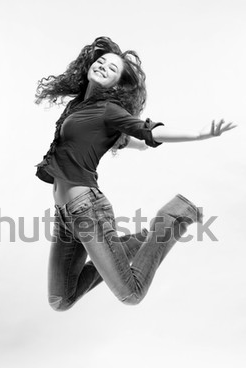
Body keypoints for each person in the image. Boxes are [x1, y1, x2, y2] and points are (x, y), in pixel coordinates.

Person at [34, 36, 236, 311]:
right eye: (101, 61)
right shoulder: (79, 106)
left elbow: (147, 131)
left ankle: (173, 216)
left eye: (112, 69)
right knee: (61, 299)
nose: (103, 66)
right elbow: (101, 137)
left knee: (131, 293)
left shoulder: (108, 109)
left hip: (87, 210)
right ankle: (135, 241)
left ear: (117, 85)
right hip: (65, 214)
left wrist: (198, 134)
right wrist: (134, 145)